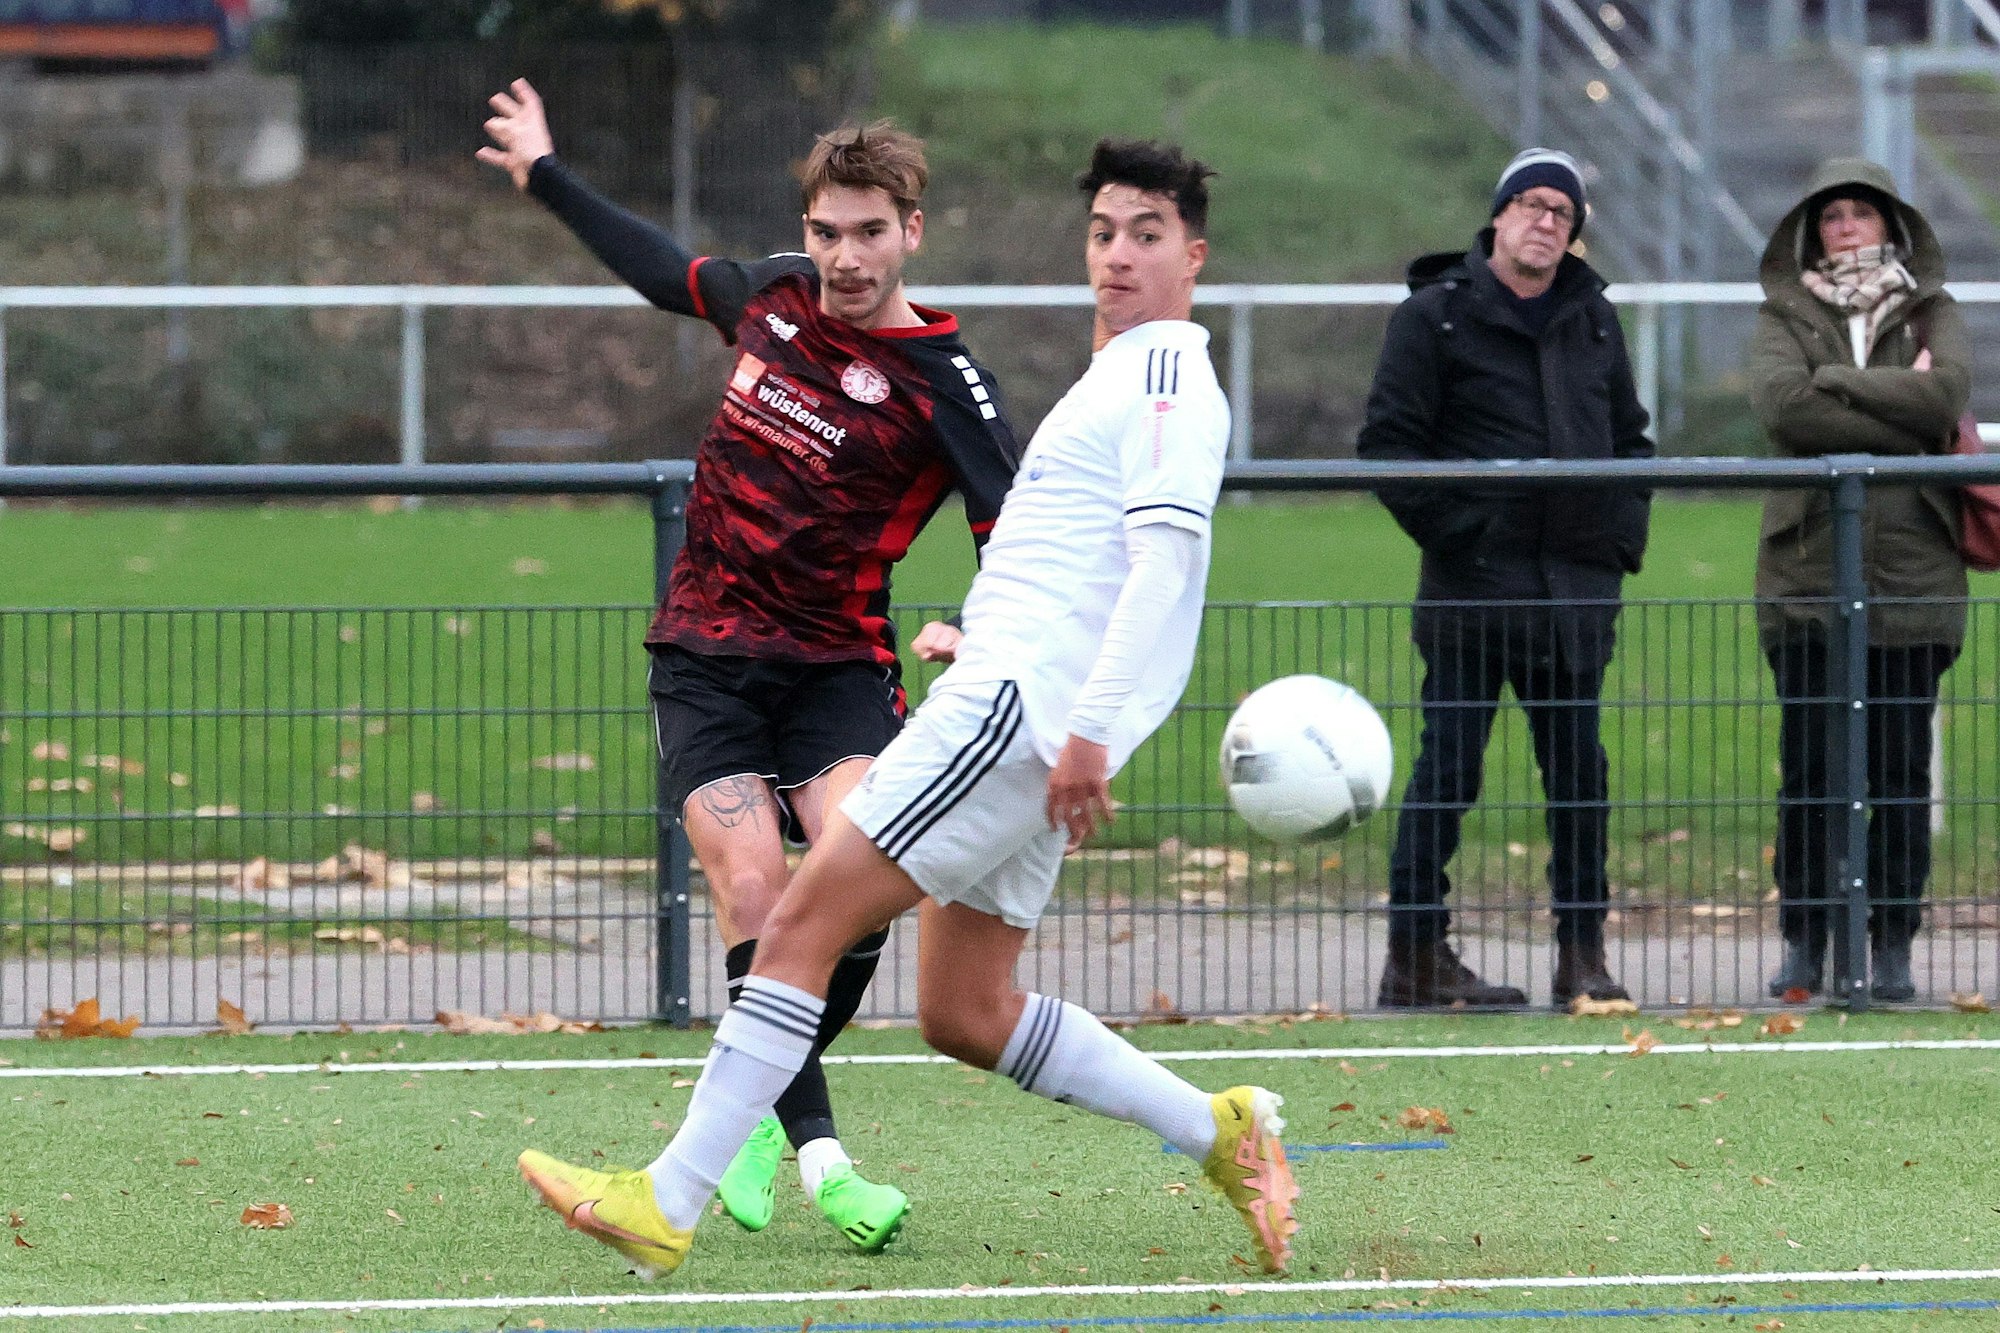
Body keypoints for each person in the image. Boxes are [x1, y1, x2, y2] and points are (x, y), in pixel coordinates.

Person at [516, 137, 1299, 1282]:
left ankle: (667, 1197)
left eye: (1147, 235)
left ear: (1194, 255)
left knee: (796, 923)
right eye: (1102, 233)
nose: (1118, 256)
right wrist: (980, 630)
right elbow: (1057, 556)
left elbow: (1162, 564)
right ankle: (1216, 1130)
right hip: (1013, 705)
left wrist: (1086, 729)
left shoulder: (1164, 381)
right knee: (965, 1011)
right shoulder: (1120, 372)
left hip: (1010, 718)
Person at [479, 81, 1020, 1247]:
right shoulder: (772, 298)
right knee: (756, 890)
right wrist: (543, 172)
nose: (843, 258)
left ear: (912, 231)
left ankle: (752, 1113)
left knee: (864, 875)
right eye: (826, 231)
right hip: (706, 654)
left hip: (836, 668)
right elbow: (660, 269)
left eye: (867, 232)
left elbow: (1015, 535)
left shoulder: (945, 381)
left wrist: (980, 628)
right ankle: (817, 1154)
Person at [1356, 148, 1653, 1011]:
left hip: (1573, 596)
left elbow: (1631, 443)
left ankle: (1583, 957)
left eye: (1562, 212)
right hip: (1472, 593)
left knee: (1579, 779)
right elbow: (1389, 447)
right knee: (1447, 772)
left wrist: (1614, 545)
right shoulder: (1434, 318)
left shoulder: (1595, 321)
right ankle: (1415, 951)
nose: (1545, 221)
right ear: (1499, 215)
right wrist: (1466, 535)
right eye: (1531, 204)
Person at [1748, 158, 1970, 1005]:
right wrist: (1895, 401)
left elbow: (1944, 398)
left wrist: (1835, 382)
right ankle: (1805, 937)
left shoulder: (1933, 310)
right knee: (1810, 772)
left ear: (1890, 226)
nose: (1845, 226)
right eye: (1832, 214)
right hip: (1806, 573)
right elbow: (1783, 407)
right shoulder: (1783, 314)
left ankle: (1893, 942)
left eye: (1861, 213)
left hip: (1914, 575)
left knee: (1898, 773)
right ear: (1813, 231)